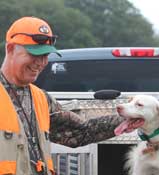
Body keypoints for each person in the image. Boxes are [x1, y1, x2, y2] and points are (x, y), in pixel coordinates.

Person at [0, 16, 124, 175]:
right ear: (10, 49)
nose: (41, 62)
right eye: (34, 54)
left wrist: (129, 119)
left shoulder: (41, 99)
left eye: (45, 56)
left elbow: (81, 132)